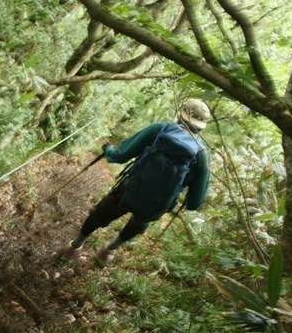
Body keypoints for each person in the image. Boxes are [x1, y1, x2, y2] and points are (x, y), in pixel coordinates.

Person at [60, 98, 211, 264]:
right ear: (201, 126)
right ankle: (108, 252)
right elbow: (194, 203)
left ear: (180, 115)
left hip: (130, 188)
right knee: (139, 223)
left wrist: (108, 149)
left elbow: (121, 155)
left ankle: (74, 247)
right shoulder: (202, 155)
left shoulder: (161, 129)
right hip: (156, 205)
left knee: (99, 215)